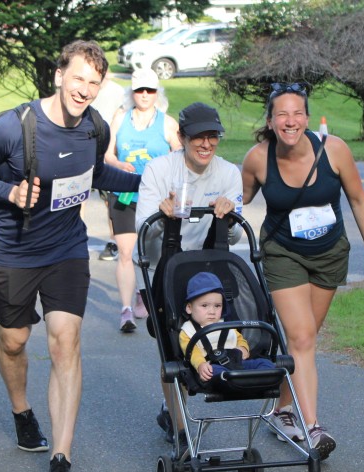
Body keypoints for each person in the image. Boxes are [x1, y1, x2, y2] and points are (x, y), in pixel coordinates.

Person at [0, 40, 141, 472]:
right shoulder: (15, 126)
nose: (84, 90)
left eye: (94, 83)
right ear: (59, 76)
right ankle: (22, 412)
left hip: (67, 249)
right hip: (14, 251)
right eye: (78, 78)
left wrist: (146, 180)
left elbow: (96, 174)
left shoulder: (94, 127)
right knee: (14, 341)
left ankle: (61, 457)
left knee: (65, 342)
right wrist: (10, 192)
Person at [241, 82, 364, 460]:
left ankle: (281, 410)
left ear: (307, 118)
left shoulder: (334, 149)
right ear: (270, 121)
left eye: (297, 113)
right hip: (283, 253)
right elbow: (239, 199)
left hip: (329, 254)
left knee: (303, 340)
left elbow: (358, 199)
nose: (290, 121)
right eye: (282, 114)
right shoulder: (258, 159)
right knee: (302, 337)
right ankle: (313, 427)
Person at [134, 101, 244, 443]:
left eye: (213, 137)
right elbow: (142, 231)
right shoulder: (159, 170)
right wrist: (161, 214)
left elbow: (237, 237)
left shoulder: (228, 173)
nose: (206, 144)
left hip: (204, 268)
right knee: (172, 345)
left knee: (200, 338)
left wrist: (229, 217)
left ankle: (174, 410)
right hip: (160, 267)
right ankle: (180, 427)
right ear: (182, 137)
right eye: (198, 137)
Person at [104, 68, 182, 332]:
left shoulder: (167, 123)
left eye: (150, 90)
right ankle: (126, 310)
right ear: (132, 93)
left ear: (157, 92)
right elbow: (108, 153)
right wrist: (118, 164)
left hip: (155, 199)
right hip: (124, 194)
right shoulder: (120, 117)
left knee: (152, 253)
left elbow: (181, 157)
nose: (145, 95)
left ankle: (145, 292)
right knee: (126, 253)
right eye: (140, 90)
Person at [179, 272, 274, 382]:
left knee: (265, 363)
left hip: (238, 363)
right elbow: (192, 353)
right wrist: (200, 364)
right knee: (215, 372)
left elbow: (239, 338)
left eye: (217, 306)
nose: (212, 311)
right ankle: (237, 380)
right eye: (204, 305)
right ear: (189, 308)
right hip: (212, 365)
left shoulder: (226, 324)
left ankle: (257, 378)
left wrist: (243, 348)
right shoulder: (188, 331)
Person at [90, 72, 126, 262]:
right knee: (77, 197)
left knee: (110, 201)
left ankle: (114, 241)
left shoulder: (117, 92)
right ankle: (74, 235)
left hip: (107, 154)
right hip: (86, 151)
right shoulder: (87, 90)